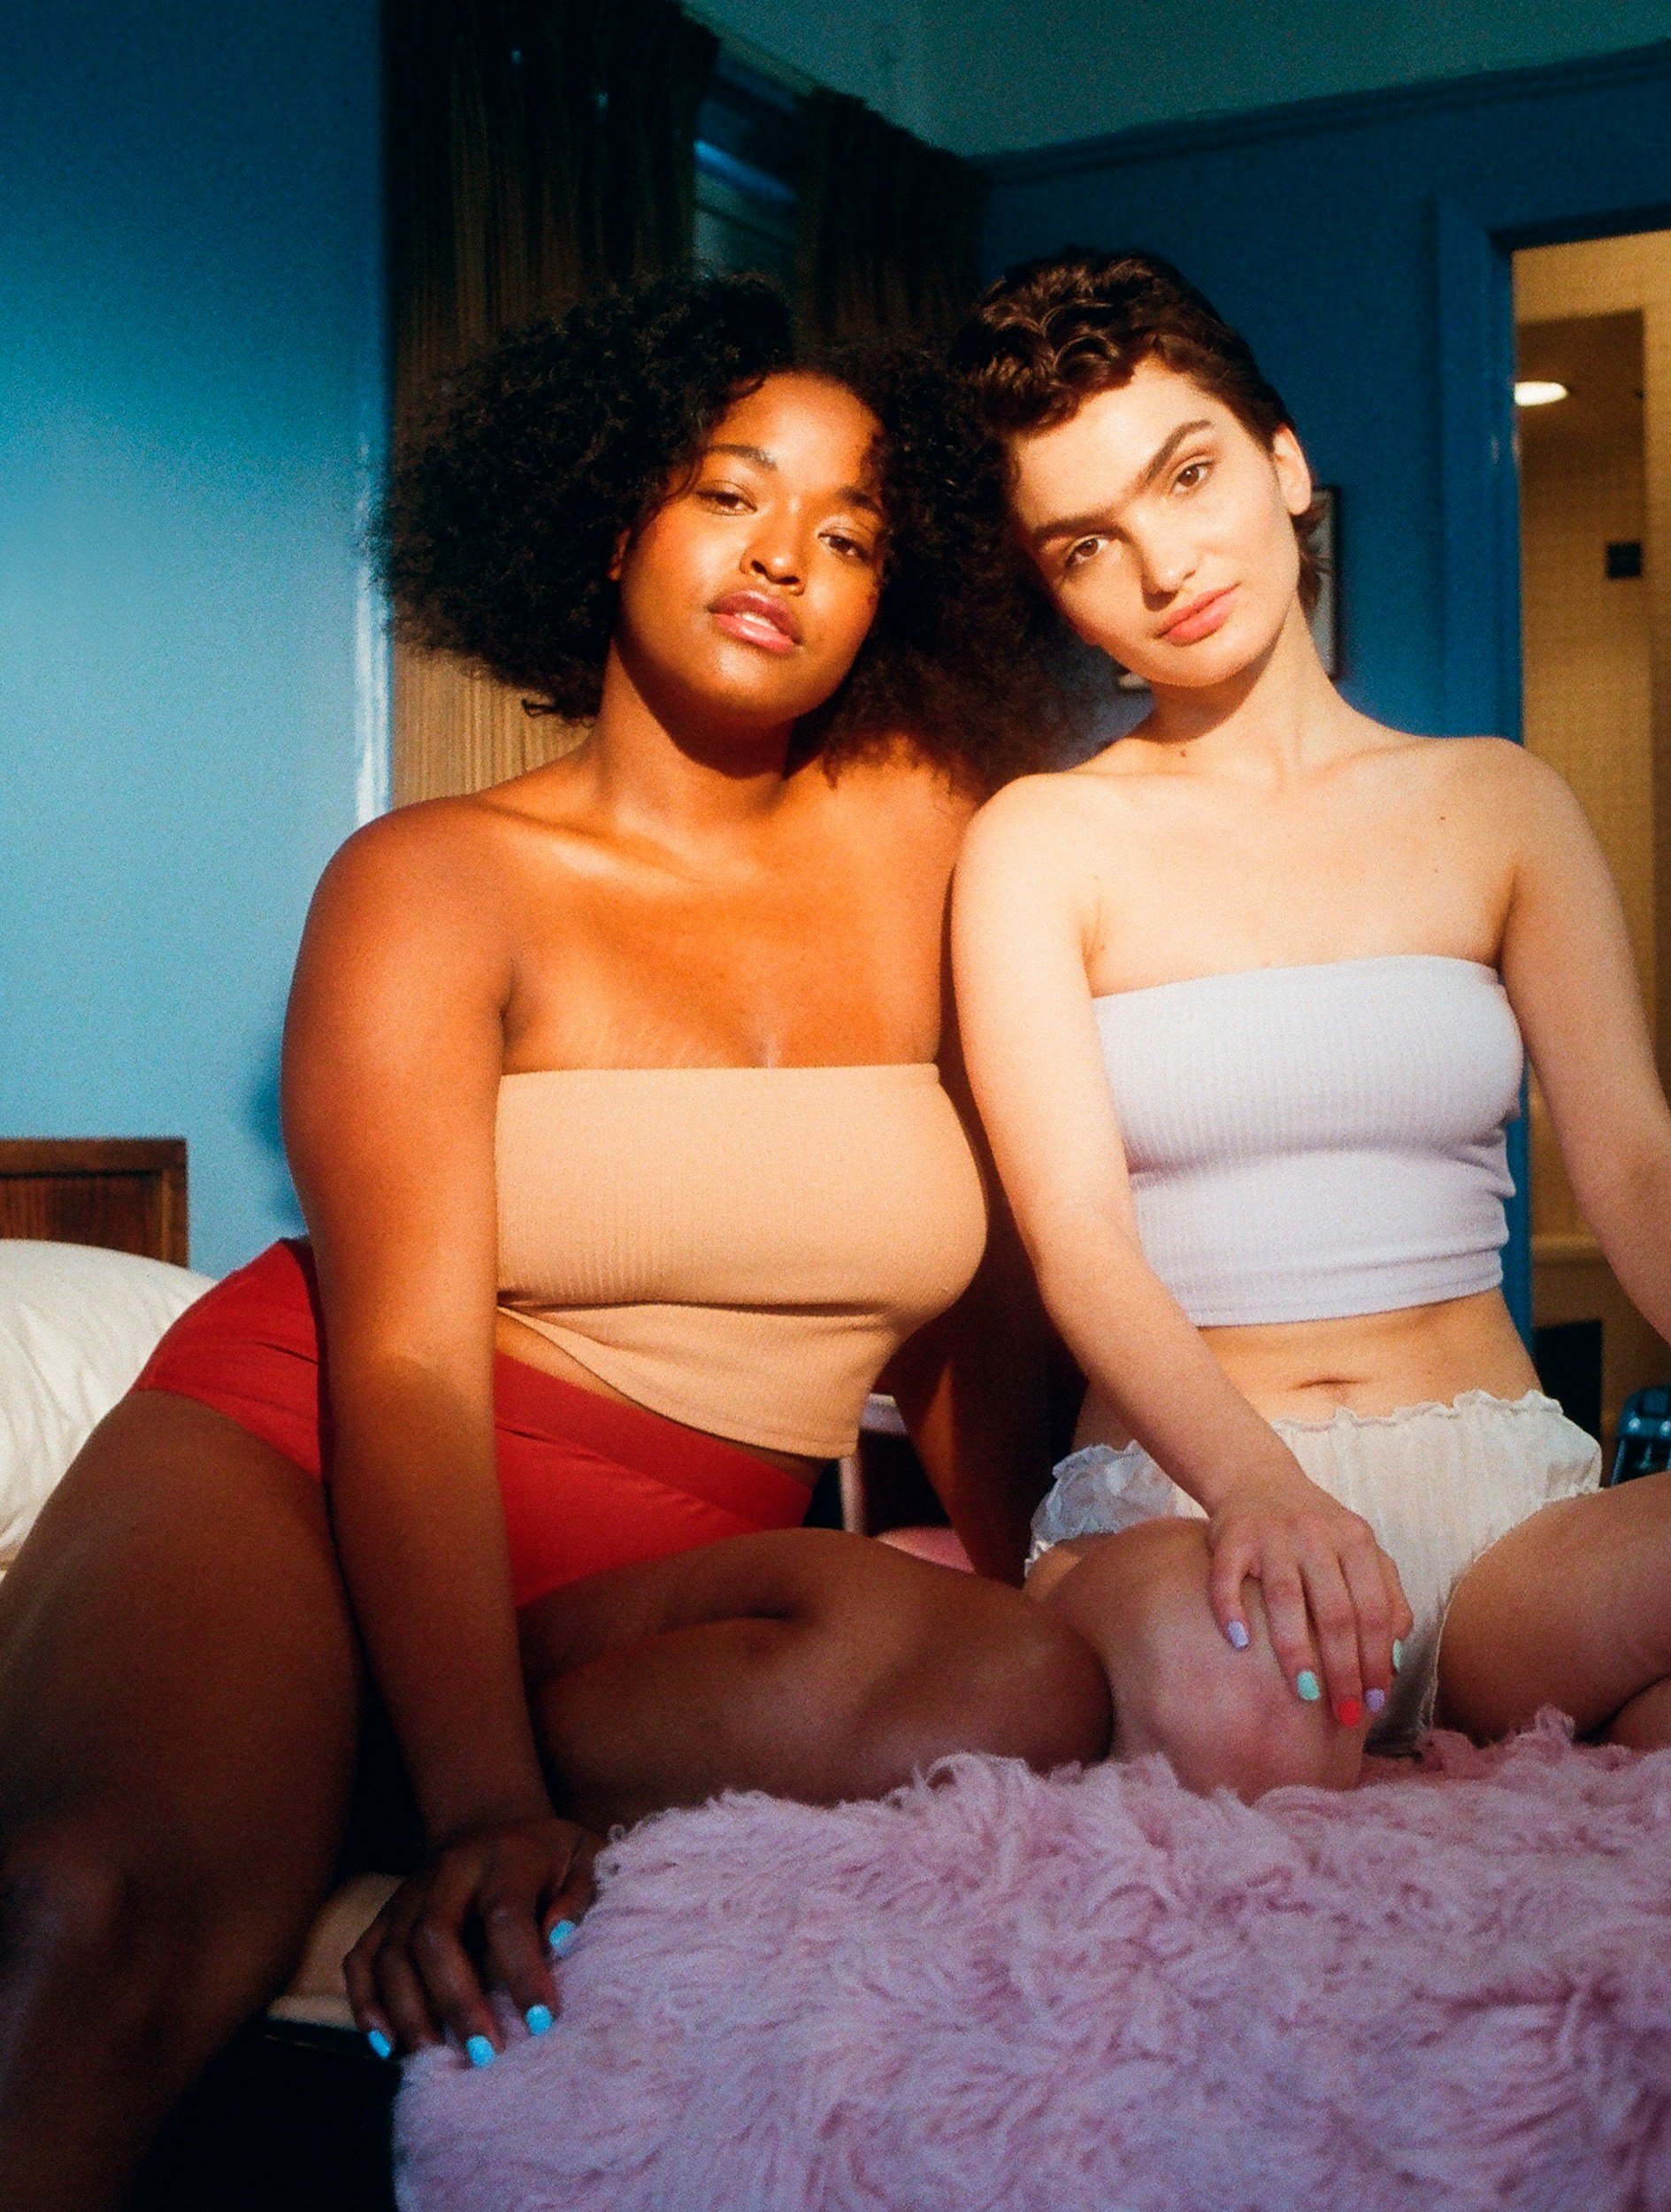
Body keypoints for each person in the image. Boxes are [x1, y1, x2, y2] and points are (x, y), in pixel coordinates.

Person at [0, 273, 1111, 2210]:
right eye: (729, 492)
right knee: (85, 1902)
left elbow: (982, 1316)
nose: (787, 556)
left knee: (1013, 1684)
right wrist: (493, 1809)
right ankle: (277, 1718)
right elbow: (408, 1361)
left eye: (851, 531)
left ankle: (336, 1742)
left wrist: (1048, 1570)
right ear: (610, 522)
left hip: (661, 1562)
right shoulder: (434, 882)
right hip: (302, 1460)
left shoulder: (942, 832)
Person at [947, 246, 1671, 1802]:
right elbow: (1077, 1245)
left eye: (1189, 476)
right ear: (1058, 595)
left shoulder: (1499, 802)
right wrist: (1260, 1486)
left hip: (1506, 1507)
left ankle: (1554, 1802)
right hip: (1187, 1497)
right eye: (1085, 545)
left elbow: (1644, 1169)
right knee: (1263, 1713)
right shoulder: (1038, 844)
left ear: (1286, 462)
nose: (1165, 563)